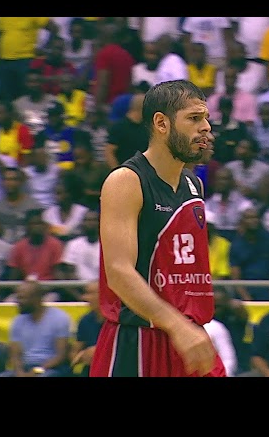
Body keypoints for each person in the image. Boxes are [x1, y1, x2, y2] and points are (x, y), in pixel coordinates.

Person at [89, 79, 225, 377]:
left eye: (206, 119)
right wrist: (177, 325)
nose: (206, 128)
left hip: (188, 336)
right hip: (138, 338)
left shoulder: (193, 183)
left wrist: (187, 328)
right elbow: (119, 273)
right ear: (161, 123)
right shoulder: (126, 181)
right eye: (194, 118)